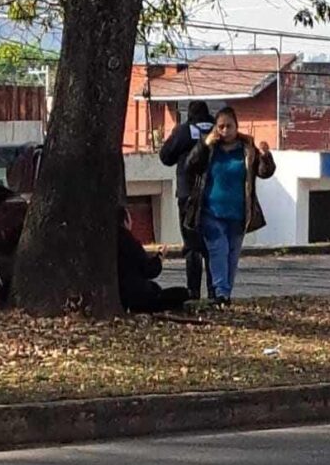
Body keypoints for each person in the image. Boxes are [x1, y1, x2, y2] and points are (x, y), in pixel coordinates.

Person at [183, 106, 276, 306]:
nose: (225, 131)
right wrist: (204, 144)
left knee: (232, 256)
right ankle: (221, 293)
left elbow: (264, 172)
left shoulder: (247, 148)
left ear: (236, 126)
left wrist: (266, 156)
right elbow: (190, 166)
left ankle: (226, 292)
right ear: (216, 128)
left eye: (229, 126)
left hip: (239, 213)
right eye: (221, 127)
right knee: (218, 250)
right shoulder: (210, 148)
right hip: (211, 212)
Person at [159, 100, 215, 300]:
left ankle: (193, 292)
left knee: (192, 245)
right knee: (211, 244)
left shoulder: (184, 131)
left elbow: (165, 156)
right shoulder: (218, 129)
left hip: (187, 195)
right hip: (213, 194)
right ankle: (215, 292)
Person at [117, 208, 190, 313]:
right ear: (125, 221)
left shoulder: (115, 241)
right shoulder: (129, 242)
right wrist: (159, 257)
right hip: (139, 295)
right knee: (182, 294)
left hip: (128, 294)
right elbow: (149, 270)